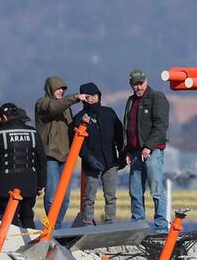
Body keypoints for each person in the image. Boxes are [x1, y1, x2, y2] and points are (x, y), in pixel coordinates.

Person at [0, 103, 47, 229]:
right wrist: (41, 184)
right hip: (29, 183)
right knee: (27, 216)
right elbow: (41, 159)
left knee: (10, 217)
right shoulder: (32, 132)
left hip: (6, 185)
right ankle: (32, 244)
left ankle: (13, 244)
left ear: (4, 116)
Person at [122, 69, 170, 231]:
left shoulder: (157, 98)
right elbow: (127, 127)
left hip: (153, 152)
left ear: (146, 81)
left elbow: (161, 126)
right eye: (135, 84)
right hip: (135, 153)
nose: (138, 87)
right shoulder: (130, 101)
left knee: (156, 191)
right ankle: (137, 226)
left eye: (140, 83)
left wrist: (148, 147)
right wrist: (127, 150)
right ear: (131, 85)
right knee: (135, 191)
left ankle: (161, 227)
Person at [72, 82, 124, 226]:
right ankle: (87, 224)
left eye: (94, 95)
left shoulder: (109, 112)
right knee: (89, 198)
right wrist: (88, 158)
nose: (92, 99)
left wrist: (121, 154)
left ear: (99, 95)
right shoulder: (80, 117)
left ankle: (110, 224)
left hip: (111, 161)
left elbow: (119, 134)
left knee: (111, 196)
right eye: (88, 97)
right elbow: (77, 144)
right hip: (91, 163)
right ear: (84, 99)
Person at [34, 76, 80, 228]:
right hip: (50, 155)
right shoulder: (42, 104)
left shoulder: (66, 108)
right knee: (52, 196)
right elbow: (54, 108)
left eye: (63, 89)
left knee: (65, 198)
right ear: (50, 89)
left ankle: (57, 225)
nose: (61, 91)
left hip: (66, 156)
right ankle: (52, 227)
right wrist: (74, 97)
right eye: (58, 88)